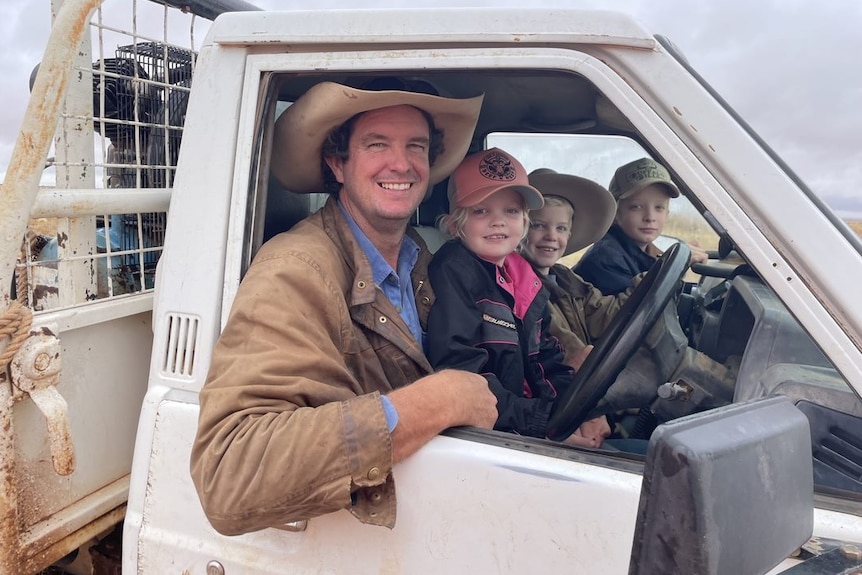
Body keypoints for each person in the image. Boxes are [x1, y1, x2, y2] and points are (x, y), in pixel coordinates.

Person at [190, 80, 499, 535]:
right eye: (377, 144)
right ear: (338, 162)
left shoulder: (421, 258)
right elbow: (229, 472)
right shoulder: (295, 270)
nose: (401, 163)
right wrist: (436, 401)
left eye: (415, 146)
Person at [426, 148, 602, 447]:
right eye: (481, 211)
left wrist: (575, 411)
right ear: (456, 224)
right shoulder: (454, 272)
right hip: (492, 436)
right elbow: (463, 372)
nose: (499, 222)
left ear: (524, 223)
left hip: (529, 422)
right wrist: (541, 423)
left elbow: (547, 358)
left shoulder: (525, 280)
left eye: (511, 211)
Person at [574, 157, 708, 296]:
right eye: (636, 207)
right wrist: (675, 266)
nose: (650, 217)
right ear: (615, 212)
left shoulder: (643, 251)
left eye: (659, 207)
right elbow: (638, 309)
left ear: (667, 213)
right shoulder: (606, 259)